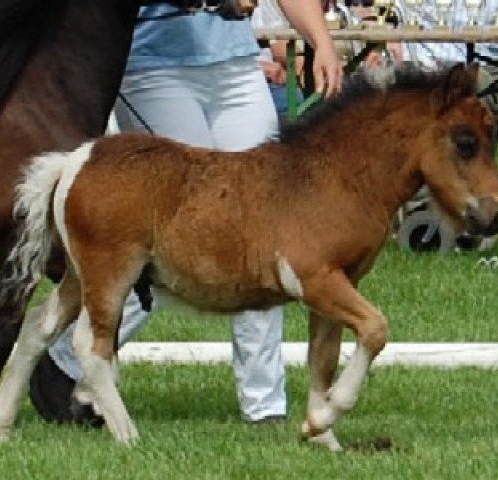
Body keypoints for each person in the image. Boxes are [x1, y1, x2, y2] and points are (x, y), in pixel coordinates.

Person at [29, 0, 343, 426]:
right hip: (151, 65)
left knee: (264, 234)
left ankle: (264, 405)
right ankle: (65, 358)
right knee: (182, 241)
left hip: (237, 65)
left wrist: (321, 40)